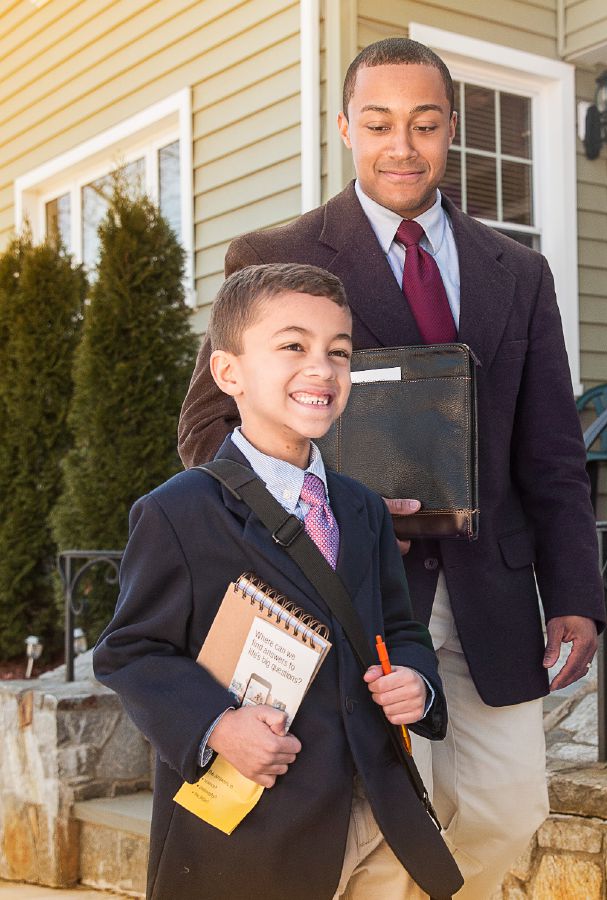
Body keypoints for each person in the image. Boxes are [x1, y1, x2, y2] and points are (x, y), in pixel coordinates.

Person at [178, 37, 606, 899]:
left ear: (451, 128)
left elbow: (553, 452)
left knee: (507, 811)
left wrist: (575, 593)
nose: (400, 145)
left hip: (491, 593)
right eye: (378, 123)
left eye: (422, 124)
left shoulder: (518, 273)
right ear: (345, 127)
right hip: (345, 592)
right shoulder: (272, 254)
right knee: (365, 834)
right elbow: (205, 433)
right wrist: (337, 493)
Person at [93, 263, 463, 900]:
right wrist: (217, 727)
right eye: (293, 346)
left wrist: (418, 685)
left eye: (339, 352)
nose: (322, 369)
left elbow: (399, 629)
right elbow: (131, 654)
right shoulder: (178, 512)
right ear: (228, 372)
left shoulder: (361, 508)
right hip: (256, 826)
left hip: (373, 805)